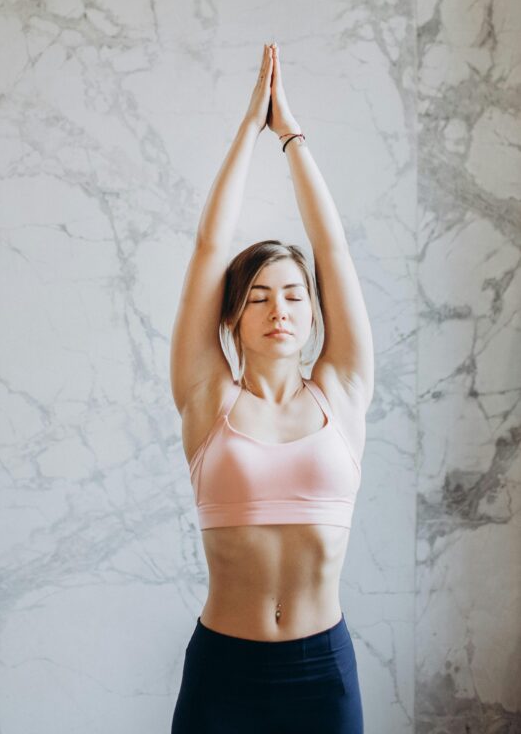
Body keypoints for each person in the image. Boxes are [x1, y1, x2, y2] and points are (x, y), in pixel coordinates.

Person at [169, 43, 373, 733]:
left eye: (292, 295)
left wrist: (289, 136)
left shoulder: (340, 392)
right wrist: (246, 131)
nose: (278, 308)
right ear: (231, 316)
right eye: (256, 297)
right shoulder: (209, 400)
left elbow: (333, 249)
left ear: (314, 313)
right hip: (223, 670)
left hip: (322, 672)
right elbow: (206, 247)